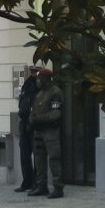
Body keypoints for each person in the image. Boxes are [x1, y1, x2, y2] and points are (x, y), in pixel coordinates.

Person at [27, 67, 68, 199]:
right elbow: (34, 110)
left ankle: (58, 187)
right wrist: (31, 119)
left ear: (46, 79)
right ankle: (41, 186)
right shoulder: (40, 93)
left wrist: (38, 119)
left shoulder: (55, 92)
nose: (38, 80)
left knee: (54, 158)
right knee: (39, 159)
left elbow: (56, 114)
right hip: (38, 131)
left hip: (51, 131)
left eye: (39, 78)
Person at [14, 68, 43, 194]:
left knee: (37, 156)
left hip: (34, 125)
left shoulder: (41, 88)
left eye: (35, 72)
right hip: (24, 124)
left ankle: (37, 183)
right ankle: (27, 181)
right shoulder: (26, 86)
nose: (33, 74)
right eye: (32, 72)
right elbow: (22, 105)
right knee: (24, 156)